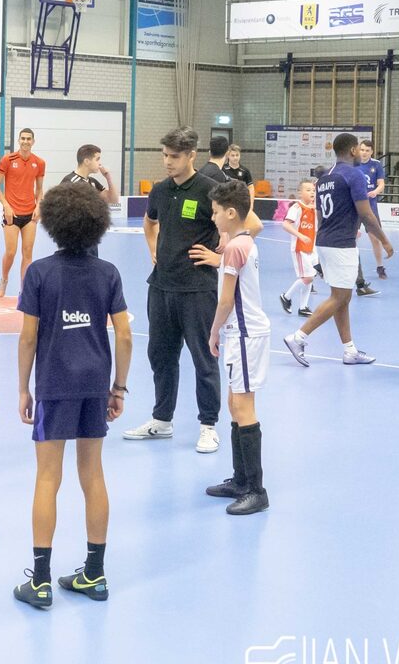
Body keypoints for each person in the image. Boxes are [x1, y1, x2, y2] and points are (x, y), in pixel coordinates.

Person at [13, 184, 132, 609]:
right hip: (95, 384)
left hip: (54, 383)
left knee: (48, 477)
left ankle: (41, 581)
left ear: (53, 223)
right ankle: (94, 574)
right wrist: (118, 387)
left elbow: (28, 338)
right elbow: (125, 335)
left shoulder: (39, 273)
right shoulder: (108, 273)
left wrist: (23, 388)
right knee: (93, 474)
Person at [123, 127, 261, 454]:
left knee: (203, 358)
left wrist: (220, 258)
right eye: (165, 155)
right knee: (161, 356)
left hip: (197, 289)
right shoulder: (160, 190)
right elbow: (149, 222)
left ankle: (208, 426)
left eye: (174, 156)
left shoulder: (211, 189)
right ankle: (162, 419)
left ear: (191, 156)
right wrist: (153, 247)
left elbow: (251, 225)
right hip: (161, 287)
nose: (168, 162)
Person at [284, 133, 394, 368]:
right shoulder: (354, 175)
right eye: (359, 149)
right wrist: (384, 240)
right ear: (353, 150)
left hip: (325, 240)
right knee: (340, 297)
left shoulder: (325, 177)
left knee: (342, 297)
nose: (361, 153)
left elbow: (320, 215)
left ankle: (349, 350)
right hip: (341, 244)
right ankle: (298, 337)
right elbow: (366, 213)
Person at [201, 180, 270, 516]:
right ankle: (240, 480)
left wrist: (213, 331)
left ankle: (256, 490)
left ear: (230, 213)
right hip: (241, 334)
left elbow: (226, 300)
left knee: (243, 406)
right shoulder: (243, 242)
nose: (213, 218)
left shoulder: (233, 249)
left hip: (244, 334)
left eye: (216, 212)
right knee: (234, 402)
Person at [0, 128, 46, 296]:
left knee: (27, 253)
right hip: (12, 214)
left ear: (33, 141)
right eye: (23, 138)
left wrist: (39, 206)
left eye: (29, 139)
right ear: (18, 140)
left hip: (30, 214)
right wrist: (6, 206)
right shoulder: (8, 160)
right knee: (11, 252)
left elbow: (40, 189)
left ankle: (24, 289)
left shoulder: (39, 162)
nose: (25, 141)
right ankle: (4, 279)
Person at [278, 179, 317, 318]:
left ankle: (303, 307)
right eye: (308, 190)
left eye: (313, 190)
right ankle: (286, 296)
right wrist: (300, 236)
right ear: (300, 193)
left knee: (310, 276)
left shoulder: (314, 208)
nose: (312, 192)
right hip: (300, 248)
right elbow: (285, 224)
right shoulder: (296, 207)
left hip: (312, 248)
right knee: (308, 277)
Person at [356, 139, 389, 286]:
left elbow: (381, 184)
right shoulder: (353, 163)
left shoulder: (376, 165)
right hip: (355, 206)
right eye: (362, 150)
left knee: (375, 238)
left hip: (370, 207)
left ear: (372, 152)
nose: (364, 153)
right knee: (351, 238)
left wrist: (375, 191)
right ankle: (350, 267)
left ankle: (380, 267)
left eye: (367, 150)